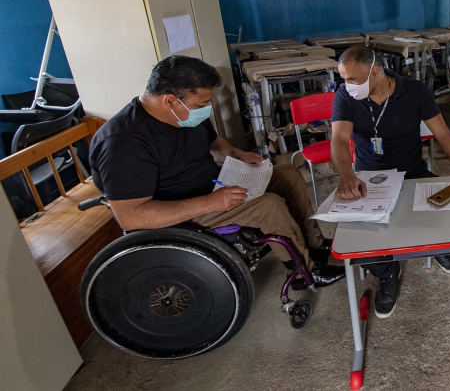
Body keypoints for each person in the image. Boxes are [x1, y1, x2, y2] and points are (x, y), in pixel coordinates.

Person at [88, 56, 345, 289]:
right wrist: (210, 202)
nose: (205, 109)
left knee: (288, 174)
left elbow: (213, 143)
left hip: (214, 184)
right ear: (169, 100)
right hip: (183, 209)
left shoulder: (184, 113)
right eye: (201, 103)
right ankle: (304, 272)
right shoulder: (122, 143)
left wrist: (236, 154)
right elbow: (131, 217)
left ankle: (314, 245)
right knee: (268, 205)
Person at [330, 45, 450, 318]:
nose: (348, 85)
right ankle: (388, 273)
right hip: (370, 177)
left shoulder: (415, 91)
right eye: (344, 79)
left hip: (412, 172)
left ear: (375, 72)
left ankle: (438, 248)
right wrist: (347, 176)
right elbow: (339, 140)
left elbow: (443, 133)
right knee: (361, 236)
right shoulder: (345, 95)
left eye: (353, 79)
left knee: (446, 211)